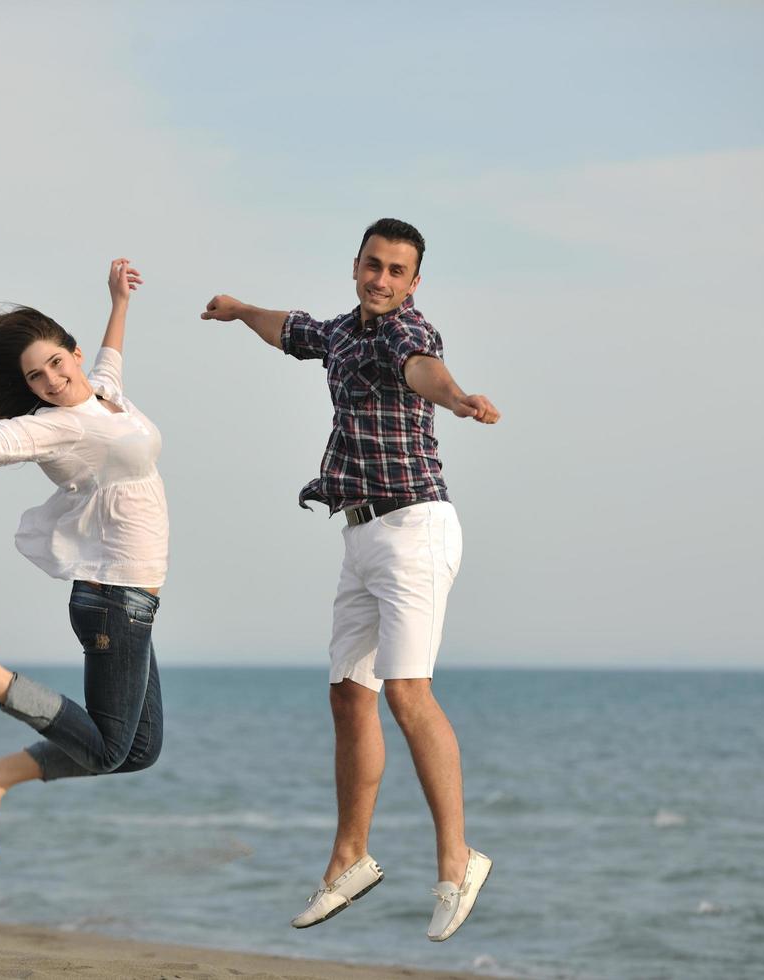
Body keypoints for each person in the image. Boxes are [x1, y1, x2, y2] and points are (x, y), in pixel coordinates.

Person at [199, 219, 501, 942]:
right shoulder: (340, 332)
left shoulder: (407, 334)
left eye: (398, 271)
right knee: (347, 695)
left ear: (415, 282)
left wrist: (456, 398)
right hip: (361, 534)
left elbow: (423, 370)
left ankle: (458, 861)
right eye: (374, 266)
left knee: (405, 690)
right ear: (357, 266)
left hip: (417, 529)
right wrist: (241, 310)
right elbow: (292, 330)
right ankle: (349, 858)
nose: (383, 280)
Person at [0, 258, 167, 854]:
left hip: (137, 593)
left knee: (138, 752)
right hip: (111, 596)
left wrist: (119, 301)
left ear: (71, 353)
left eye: (56, 363)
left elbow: (108, 362)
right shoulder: (53, 426)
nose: (51, 380)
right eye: (36, 377)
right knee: (105, 747)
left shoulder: (106, 398)